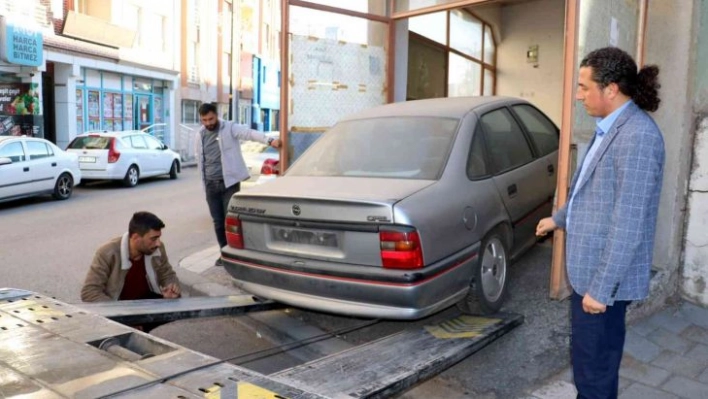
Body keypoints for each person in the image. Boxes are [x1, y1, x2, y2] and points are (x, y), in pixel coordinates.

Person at [536, 47, 665, 399]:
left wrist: (601, 288)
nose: (578, 96)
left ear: (610, 89)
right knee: (591, 363)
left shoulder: (637, 137)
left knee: (594, 369)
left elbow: (629, 221)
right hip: (592, 272)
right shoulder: (610, 127)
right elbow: (589, 193)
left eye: (583, 87)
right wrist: (558, 219)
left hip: (601, 279)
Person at [195, 103, 281, 265]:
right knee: (218, 221)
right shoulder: (200, 134)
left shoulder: (229, 128)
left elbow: (249, 133)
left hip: (229, 183)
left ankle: (234, 253)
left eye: (211, 119)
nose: (208, 123)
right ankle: (224, 253)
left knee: (230, 220)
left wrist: (269, 140)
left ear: (217, 115)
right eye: (204, 120)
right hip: (210, 185)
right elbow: (199, 158)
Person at [81, 211, 181, 303]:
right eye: (153, 238)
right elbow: (89, 292)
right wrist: (121, 315)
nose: (158, 243)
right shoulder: (107, 253)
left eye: (158, 237)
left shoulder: (156, 248)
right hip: (118, 306)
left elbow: (167, 273)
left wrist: (171, 287)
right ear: (135, 238)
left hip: (149, 303)